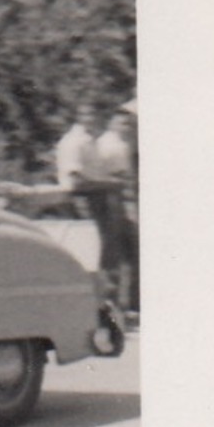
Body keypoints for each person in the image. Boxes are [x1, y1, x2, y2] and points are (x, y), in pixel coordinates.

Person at [55, 101, 131, 311]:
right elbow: (76, 181)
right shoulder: (73, 143)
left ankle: (106, 306)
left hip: (98, 200)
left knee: (105, 256)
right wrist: (110, 184)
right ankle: (90, 307)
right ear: (78, 116)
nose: (93, 119)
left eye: (96, 114)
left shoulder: (91, 141)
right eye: (87, 114)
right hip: (82, 202)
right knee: (89, 256)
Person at [95, 98, 141, 317]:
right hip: (112, 197)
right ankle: (112, 302)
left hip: (123, 199)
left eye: (128, 123)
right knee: (114, 251)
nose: (126, 126)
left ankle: (131, 302)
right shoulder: (107, 143)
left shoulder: (124, 143)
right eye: (122, 123)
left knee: (131, 250)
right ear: (112, 122)